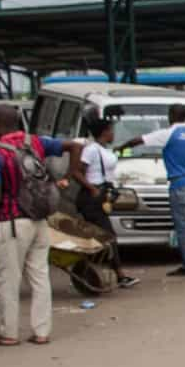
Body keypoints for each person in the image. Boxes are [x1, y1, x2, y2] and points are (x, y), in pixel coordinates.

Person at [0, 104, 79, 346]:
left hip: (11, 221)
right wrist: (68, 177)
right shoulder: (35, 143)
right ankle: (42, 331)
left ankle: (9, 332)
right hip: (39, 219)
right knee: (40, 277)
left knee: (8, 280)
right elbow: (76, 146)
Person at [117, 105, 185, 279]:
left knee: (183, 227)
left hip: (179, 185)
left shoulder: (168, 133)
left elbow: (138, 140)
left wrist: (119, 148)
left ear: (171, 116)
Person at [62, 116, 138, 290]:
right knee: (108, 236)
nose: (113, 134)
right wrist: (92, 188)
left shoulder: (104, 149)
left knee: (100, 237)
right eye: (111, 130)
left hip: (101, 195)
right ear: (104, 132)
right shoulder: (91, 150)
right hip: (91, 198)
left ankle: (98, 270)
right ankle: (119, 275)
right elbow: (76, 172)